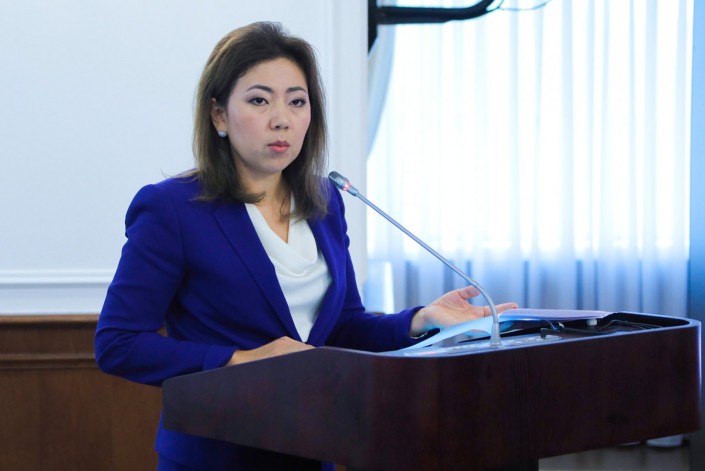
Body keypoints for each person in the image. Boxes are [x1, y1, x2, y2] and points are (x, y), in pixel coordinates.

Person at [95, 21, 517, 471]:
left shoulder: (325, 199)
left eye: (297, 101)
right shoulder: (172, 208)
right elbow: (118, 343)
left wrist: (418, 320)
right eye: (259, 100)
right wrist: (241, 360)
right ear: (218, 115)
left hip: (314, 447)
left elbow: (344, 327)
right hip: (217, 453)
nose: (282, 118)